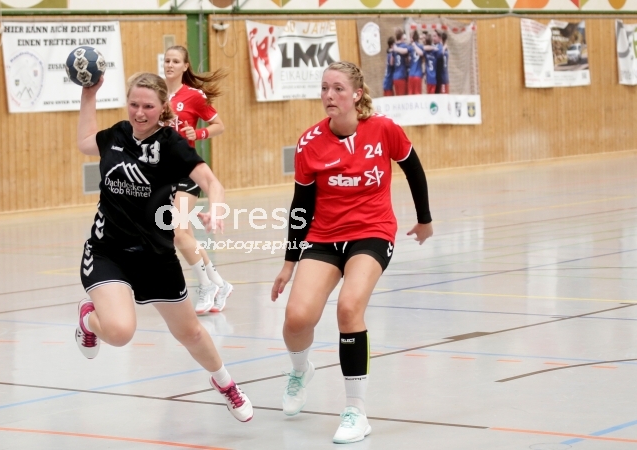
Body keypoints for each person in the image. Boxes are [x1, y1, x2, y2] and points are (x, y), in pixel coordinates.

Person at [74, 71, 253, 423]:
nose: (140, 113)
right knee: (121, 332)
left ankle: (226, 384)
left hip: (155, 256)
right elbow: (83, 141)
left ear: (162, 107)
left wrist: (216, 206)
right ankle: (89, 320)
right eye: (134, 104)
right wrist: (89, 95)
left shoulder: (171, 145)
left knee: (191, 332)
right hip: (107, 250)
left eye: (148, 106)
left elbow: (211, 182)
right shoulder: (115, 136)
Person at [270, 61, 433, 444]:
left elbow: (414, 169)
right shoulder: (310, 143)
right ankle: (299, 371)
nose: (329, 95)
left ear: (356, 95)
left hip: (371, 233)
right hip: (324, 237)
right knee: (297, 319)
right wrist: (289, 261)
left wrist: (424, 219)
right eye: (325, 88)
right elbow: (301, 205)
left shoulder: (383, 130)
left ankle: (355, 411)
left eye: (338, 89)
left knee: (348, 308)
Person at [163, 45, 234, 315]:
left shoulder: (193, 96)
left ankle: (205, 286)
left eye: (176, 61)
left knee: (178, 232)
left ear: (185, 66)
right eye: (167, 60)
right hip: (163, 173)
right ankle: (220, 283)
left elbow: (219, 125)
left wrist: (198, 134)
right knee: (187, 237)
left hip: (187, 169)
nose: (170, 64)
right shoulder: (157, 95)